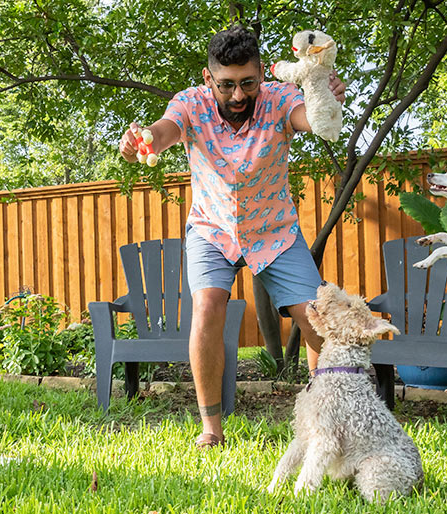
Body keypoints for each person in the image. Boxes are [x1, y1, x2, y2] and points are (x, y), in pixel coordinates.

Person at [118, 26, 345, 448]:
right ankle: (211, 428)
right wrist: (141, 140)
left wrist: (322, 97)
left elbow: (309, 120)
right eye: (226, 85)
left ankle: (325, 423)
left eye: (247, 83)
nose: (238, 96)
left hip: (274, 231)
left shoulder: (279, 98)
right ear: (209, 79)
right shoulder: (190, 103)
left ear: (261, 73)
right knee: (207, 309)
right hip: (212, 228)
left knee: (318, 318)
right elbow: (163, 131)